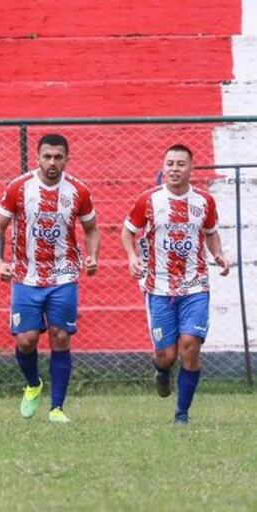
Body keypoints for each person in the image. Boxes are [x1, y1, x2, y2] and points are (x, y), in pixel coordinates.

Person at [0, 133, 100, 423]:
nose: (52, 162)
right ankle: (33, 384)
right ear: (37, 158)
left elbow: (91, 228)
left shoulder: (79, 191)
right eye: (47, 156)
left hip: (63, 276)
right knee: (25, 340)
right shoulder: (18, 188)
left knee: (60, 338)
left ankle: (56, 408)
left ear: (67, 159)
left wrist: (92, 256)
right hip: (26, 277)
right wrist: (0, 262)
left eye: (58, 157)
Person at [121, 144, 230, 425]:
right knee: (166, 355)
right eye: (170, 163)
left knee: (190, 346)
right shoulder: (148, 200)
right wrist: (132, 257)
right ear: (163, 166)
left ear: (191, 168)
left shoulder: (204, 202)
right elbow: (128, 231)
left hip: (195, 286)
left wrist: (218, 254)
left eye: (181, 164)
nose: (174, 169)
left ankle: (182, 414)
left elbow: (211, 232)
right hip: (158, 288)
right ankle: (161, 370)